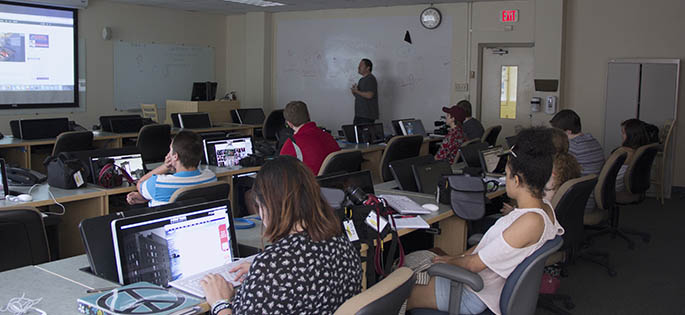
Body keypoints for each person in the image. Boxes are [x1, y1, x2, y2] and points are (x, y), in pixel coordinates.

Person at [406, 127, 564, 315]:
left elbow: (474, 265)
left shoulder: (530, 221)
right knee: (414, 264)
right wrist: (456, 258)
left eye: (506, 175)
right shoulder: (544, 207)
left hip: (472, 293)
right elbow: (488, 250)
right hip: (480, 284)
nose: (505, 180)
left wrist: (447, 262)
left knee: (397, 294)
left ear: (516, 180)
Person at [200, 156, 362, 315]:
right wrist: (262, 276)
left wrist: (219, 302)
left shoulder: (272, 268)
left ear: (267, 206)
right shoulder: (342, 243)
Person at [126, 130, 216, 207]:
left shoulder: (158, 183)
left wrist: (165, 167)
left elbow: (140, 184)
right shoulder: (211, 177)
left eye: (170, 150)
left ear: (175, 156)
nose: (168, 153)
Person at [549, 109, 604, 213]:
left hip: (581, 202)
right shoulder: (592, 140)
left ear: (568, 131)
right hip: (591, 196)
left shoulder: (572, 147)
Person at [280, 101, 341, 175]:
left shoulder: (292, 143)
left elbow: (281, 172)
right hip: (334, 183)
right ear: (308, 115)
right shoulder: (328, 136)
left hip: (310, 185)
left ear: (289, 123)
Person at [615, 118, 650, 191]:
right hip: (624, 185)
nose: (622, 136)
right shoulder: (640, 151)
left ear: (632, 135)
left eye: (623, 133)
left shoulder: (624, 153)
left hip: (614, 187)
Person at [350, 58, 379, 125]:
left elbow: (370, 95)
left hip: (366, 116)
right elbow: (361, 96)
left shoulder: (370, 78)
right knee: (356, 134)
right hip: (360, 114)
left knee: (364, 135)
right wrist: (354, 92)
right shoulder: (361, 80)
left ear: (368, 68)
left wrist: (357, 91)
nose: (358, 67)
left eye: (361, 65)